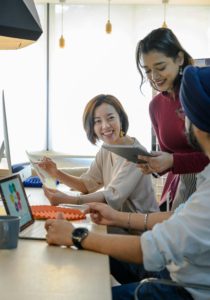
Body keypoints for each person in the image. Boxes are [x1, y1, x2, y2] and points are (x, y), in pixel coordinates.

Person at [45, 65, 210, 300]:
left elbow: (151, 248)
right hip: (171, 265)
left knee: (85, 289)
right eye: (97, 121)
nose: (180, 118)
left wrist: (75, 235)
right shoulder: (206, 176)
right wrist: (116, 217)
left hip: (179, 285)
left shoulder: (135, 153)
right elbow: (180, 215)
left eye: (185, 112)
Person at [38, 94, 158, 230]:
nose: (105, 126)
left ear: (121, 119)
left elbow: (110, 196)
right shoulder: (107, 149)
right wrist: (56, 173)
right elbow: (87, 184)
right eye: (98, 121)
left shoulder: (136, 155)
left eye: (111, 118)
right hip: (120, 224)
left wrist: (68, 200)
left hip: (142, 230)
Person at [135, 27, 209, 210]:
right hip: (180, 191)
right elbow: (169, 156)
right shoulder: (155, 106)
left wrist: (173, 161)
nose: (154, 77)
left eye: (160, 67)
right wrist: (156, 164)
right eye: (147, 70)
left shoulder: (200, 92)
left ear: (179, 59)